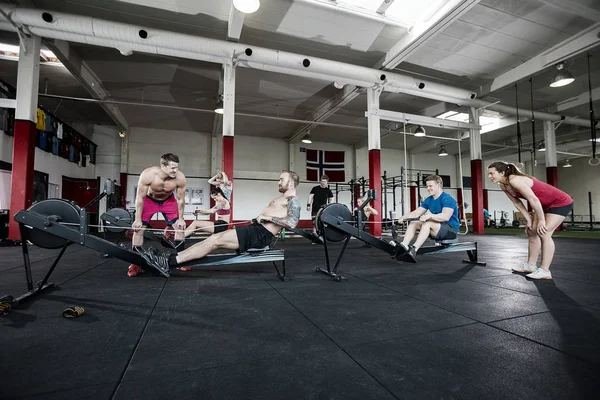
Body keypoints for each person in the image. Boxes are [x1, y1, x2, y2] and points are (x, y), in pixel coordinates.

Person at [140, 171, 301, 272]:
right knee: (212, 239)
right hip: (255, 230)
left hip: (260, 234)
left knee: (214, 240)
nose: (278, 182)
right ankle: (170, 258)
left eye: (282, 179)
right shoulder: (283, 199)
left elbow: (292, 222)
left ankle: (169, 262)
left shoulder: (294, 200)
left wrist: (267, 218)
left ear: (291, 182)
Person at [488, 161, 573, 280]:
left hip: (560, 202)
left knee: (544, 232)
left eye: (492, 173)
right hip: (542, 204)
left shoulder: (515, 180)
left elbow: (533, 199)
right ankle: (530, 266)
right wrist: (528, 220)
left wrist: (542, 220)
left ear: (502, 173)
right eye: (489, 174)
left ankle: (545, 270)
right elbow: (517, 202)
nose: (489, 176)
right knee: (531, 231)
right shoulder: (503, 185)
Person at [128, 153, 187, 277]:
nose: (175, 170)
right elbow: (139, 197)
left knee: (180, 228)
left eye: (177, 167)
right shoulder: (148, 174)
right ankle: (135, 263)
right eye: (172, 168)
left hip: (169, 201)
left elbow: (181, 199)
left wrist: (181, 219)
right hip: (149, 201)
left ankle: (181, 259)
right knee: (138, 230)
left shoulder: (180, 177)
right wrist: (137, 219)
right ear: (163, 166)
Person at [395, 174, 460, 263]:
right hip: (437, 228)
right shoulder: (429, 200)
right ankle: (404, 245)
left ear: (438, 185)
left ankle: (414, 249)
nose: (428, 188)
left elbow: (445, 216)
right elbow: (416, 213)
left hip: (450, 230)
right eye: (427, 186)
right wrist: (404, 217)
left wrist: (429, 216)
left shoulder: (448, 199)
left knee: (427, 223)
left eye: (430, 186)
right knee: (414, 222)